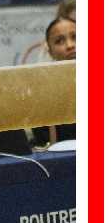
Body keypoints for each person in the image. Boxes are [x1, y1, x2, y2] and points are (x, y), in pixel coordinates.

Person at [33, 16, 77, 146]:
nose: (70, 45)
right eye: (59, 41)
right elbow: (44, 143)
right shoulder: (43, 95)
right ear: (50, 51)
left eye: (75, 37)